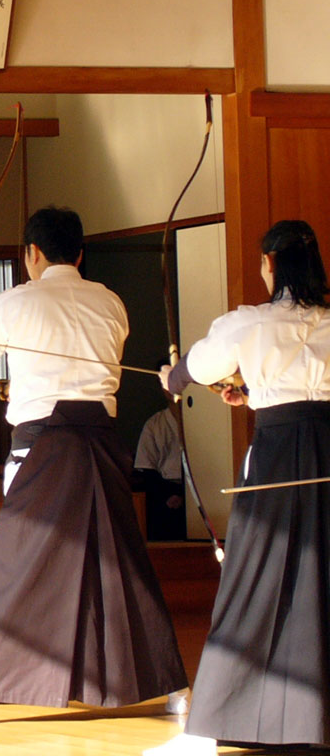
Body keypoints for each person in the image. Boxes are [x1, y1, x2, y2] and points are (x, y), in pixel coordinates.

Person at [0, 207, 187, 743]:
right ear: (79, 254)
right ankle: (172, 689)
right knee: (118, 560)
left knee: (18, 563)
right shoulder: (110, 301)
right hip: (103, 443)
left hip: (43, 445)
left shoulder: (16, 300)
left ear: (32, 253)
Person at [146, 220, 330, 756]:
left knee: (254, 574)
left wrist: (173, 377)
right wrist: (254, 395)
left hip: (277, 458)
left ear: (269, 264)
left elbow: (194, 369)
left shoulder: (250, 322)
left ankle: (228, 721)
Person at [134, 389, 186, 540]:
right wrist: (170, 494)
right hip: (164, 491)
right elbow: (147, 469)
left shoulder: (202, 420)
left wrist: (184, 495)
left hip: (198, 488)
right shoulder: (155, 424)